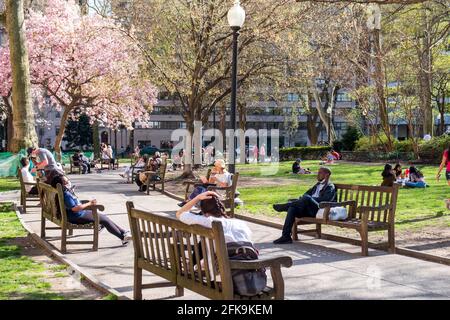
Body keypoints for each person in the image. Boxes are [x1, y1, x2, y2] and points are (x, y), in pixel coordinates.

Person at [51, 175, 132, 245]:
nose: (68, 182)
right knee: (104, 220)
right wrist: (89, 203)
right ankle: (123, 237)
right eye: (65, 182)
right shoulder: (66, 195)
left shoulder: (64, 192)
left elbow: (74, 205)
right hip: (76, 216)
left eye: (67, 180)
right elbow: (75, 208)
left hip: (75, 215)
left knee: (103, 217)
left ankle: (123, 232)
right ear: (61, 185)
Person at [272, 167, 336, 244]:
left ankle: (284, 207)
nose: (317, 175)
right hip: (309, 209)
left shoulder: (330, 186)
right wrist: (306, 200)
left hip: (319, 210)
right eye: (318, 172)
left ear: (326, 175)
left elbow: (326, 200)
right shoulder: (317, 185)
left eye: (320, 173)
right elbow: (305, 194)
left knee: (307, 198)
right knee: (292, 209)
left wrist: (310, 199)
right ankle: (286, 237)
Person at [176, 191, 252, 245]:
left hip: (219, 266)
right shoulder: (241, 223)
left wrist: (198, 197)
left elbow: (180, 214)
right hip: (248, 264)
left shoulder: (208, 221)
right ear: (221, 208)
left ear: (204, 212)